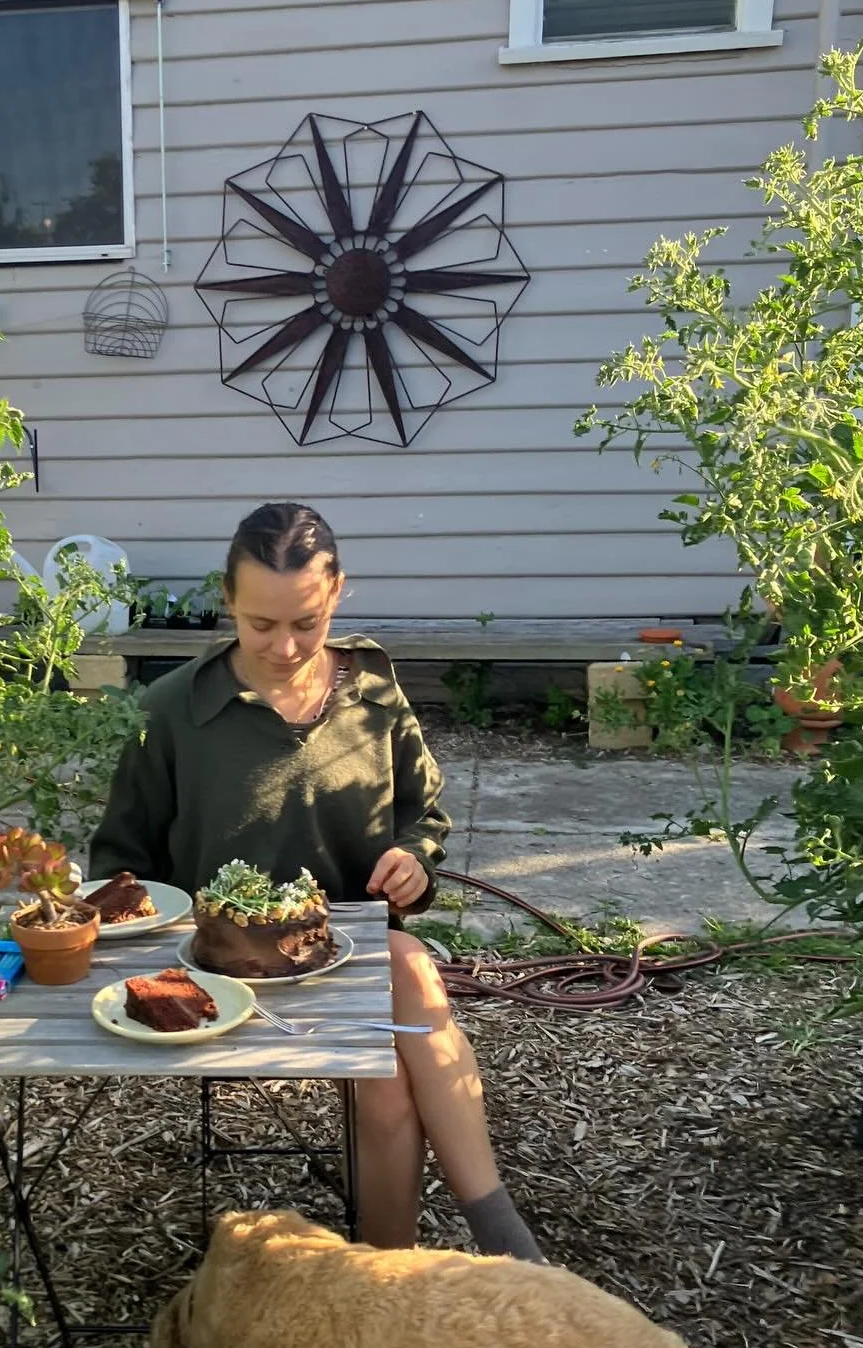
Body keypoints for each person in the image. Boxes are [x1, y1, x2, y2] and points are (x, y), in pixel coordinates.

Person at [89, 502, 544, 1262]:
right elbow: (120, 863)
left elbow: (420, 817)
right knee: (410, 971)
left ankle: (385, 1274)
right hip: (216, 971)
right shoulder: (174, 711)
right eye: (259, 624)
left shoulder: (373, 693)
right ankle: (494, 1239)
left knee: (396, 1056)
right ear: (226, 601)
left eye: (306, 621)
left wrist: (413, 863)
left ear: (336, 596)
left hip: (346, 959)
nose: (285, 645)